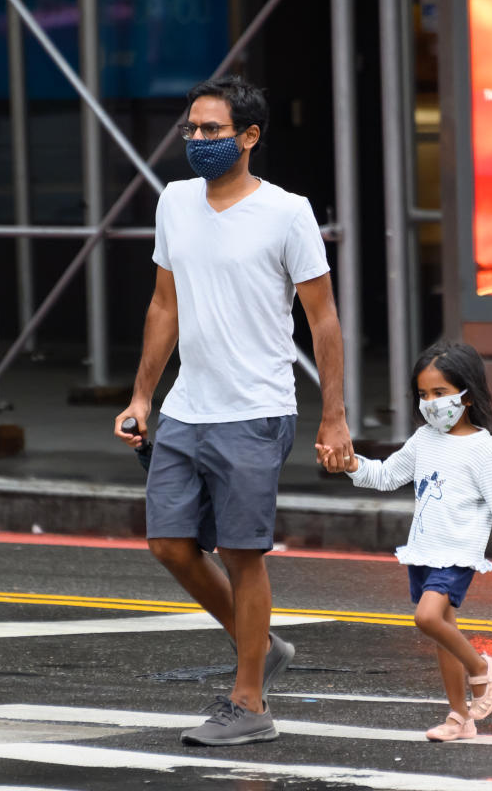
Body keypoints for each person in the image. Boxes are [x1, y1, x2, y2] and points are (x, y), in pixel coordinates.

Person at [113, 74, 353, 747]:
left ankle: (249, 702)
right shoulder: (175, 201)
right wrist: (142, 396)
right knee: (169, 543)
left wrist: (333, 417)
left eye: (212, 130)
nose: (197, 140)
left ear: (249, 137)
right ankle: (261, 643)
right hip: (189, 407)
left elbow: (323, 319)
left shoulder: (287, 212)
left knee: (242, 551)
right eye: (191, 129)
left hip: (256, 408)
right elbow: (165, 304)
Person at [317, 342, 492, 742]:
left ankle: (484, 669)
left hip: (456, 553)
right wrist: (350, 463)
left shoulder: (483, 451)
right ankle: (459, 718)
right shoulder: (424, 440)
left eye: (440, 393)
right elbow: (384, 476)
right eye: (423, 395)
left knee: (428, 618)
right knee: (442, 632)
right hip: (423, 549)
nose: (431, 403)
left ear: (466, 396)